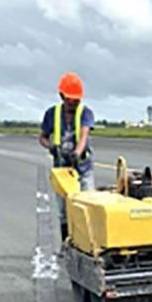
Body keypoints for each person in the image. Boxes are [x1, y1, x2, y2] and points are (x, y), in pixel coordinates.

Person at [38, 72, 96, 241]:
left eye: (77, 100)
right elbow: (42, 137)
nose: (74, 103)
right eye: (70, 100)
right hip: (61, 170)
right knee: (64, 210)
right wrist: (52, 147)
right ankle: (66, 243)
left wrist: (77, 154)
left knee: (88, 206)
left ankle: (87, 243)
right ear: (62, 96)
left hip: (83, 168)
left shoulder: (85, 113)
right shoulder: (52, 114)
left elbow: (84, 135)